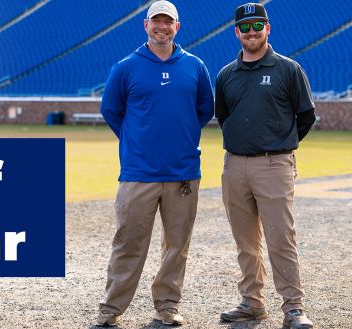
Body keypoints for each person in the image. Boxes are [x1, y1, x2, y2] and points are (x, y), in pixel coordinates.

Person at [96, 1, 214, 326]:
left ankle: (167, 307)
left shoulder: (195, 66)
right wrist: (137, 140)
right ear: (145, 25)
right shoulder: (125, 67)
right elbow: (111, 111)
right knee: (128, 242)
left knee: (177, 246)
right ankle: (110, 310)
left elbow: (204, 110)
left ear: (178, 27)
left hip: (183, 173)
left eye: (168, 22)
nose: (162, 27)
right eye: (156, 21)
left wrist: (181, 135)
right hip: (138, 173)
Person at [215, 3, 316, 329]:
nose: (252, 31)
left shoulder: (288, 69)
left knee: (280, 239)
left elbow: (306, 116)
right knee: (245, 241)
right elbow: (224, 117)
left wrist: (279, 146)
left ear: (268, 28)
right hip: (235, 166)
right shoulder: (226, 75)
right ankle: (252, 303)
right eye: (245, 27)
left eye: (258, 25)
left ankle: (293, 309)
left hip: (274, 165)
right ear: (236, 33)